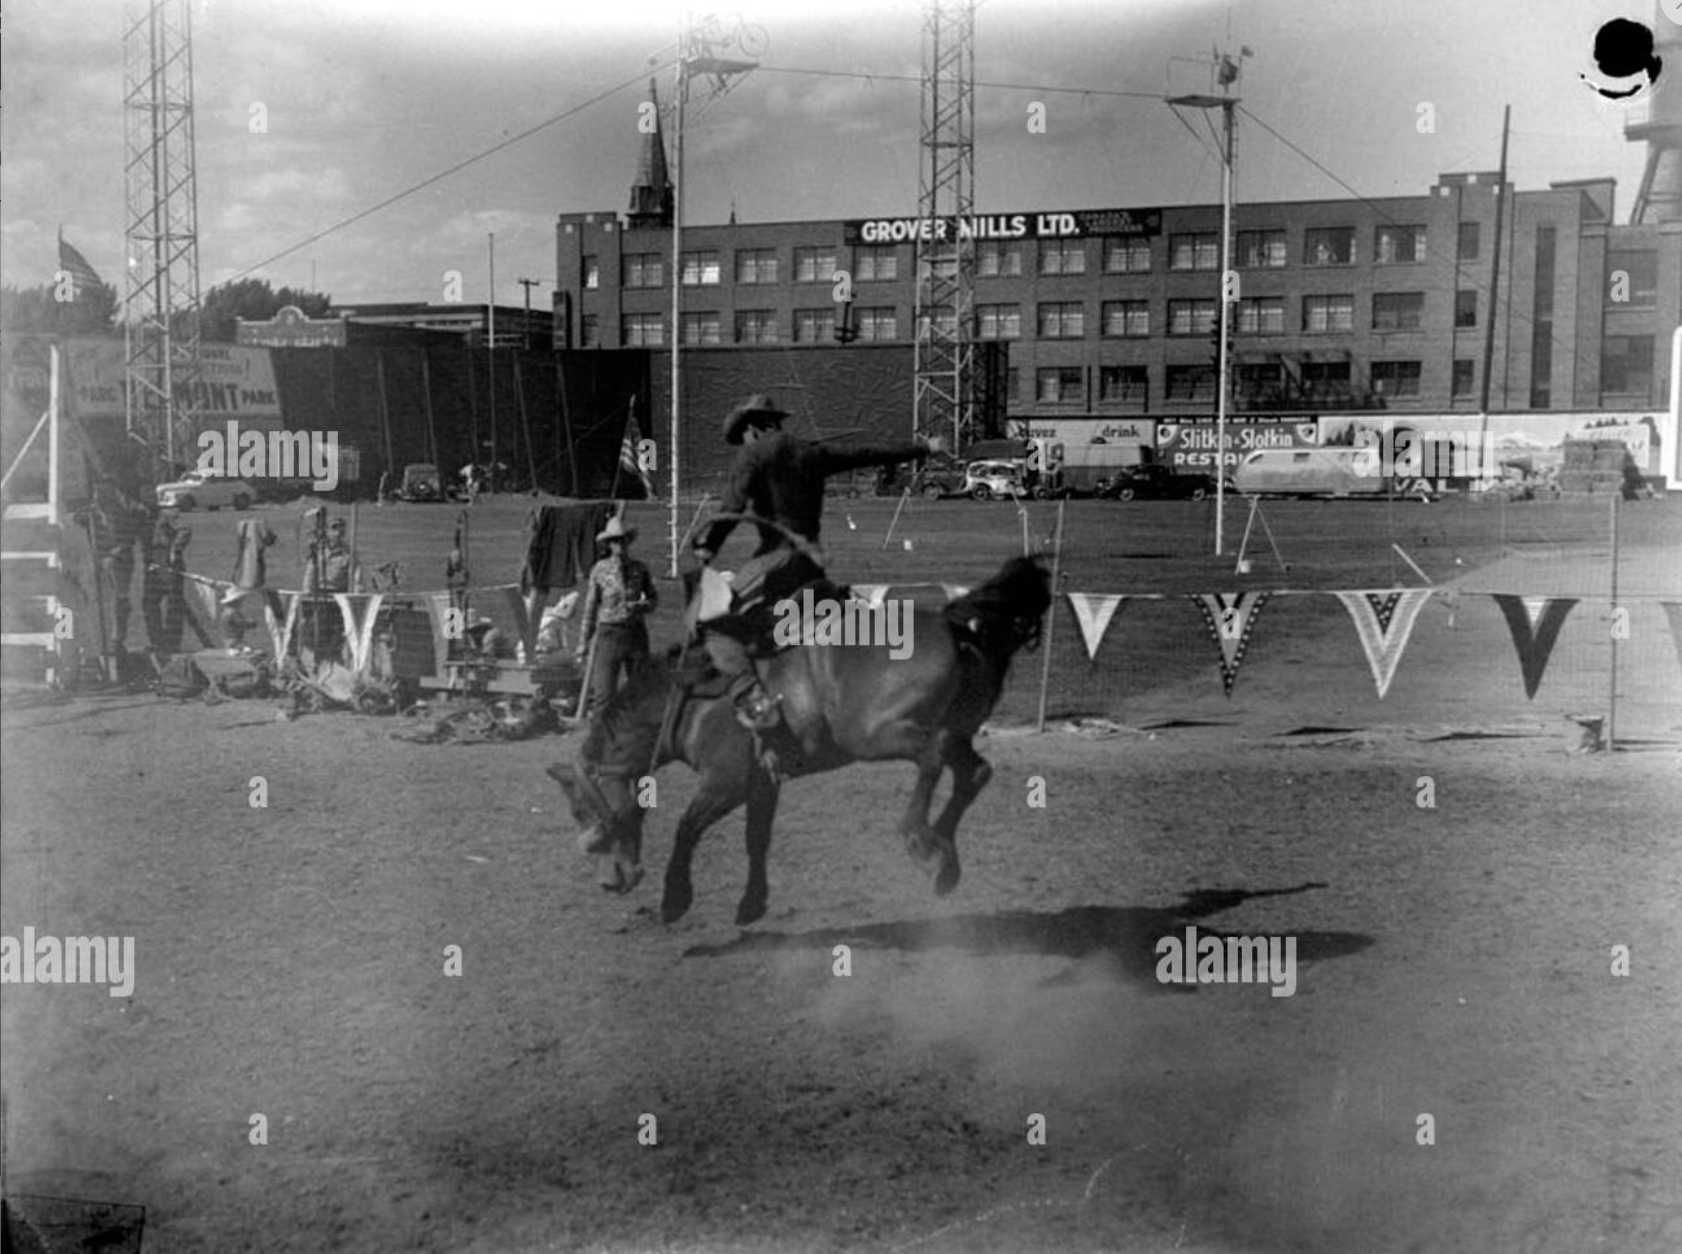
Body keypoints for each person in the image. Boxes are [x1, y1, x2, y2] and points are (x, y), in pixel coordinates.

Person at [690, 393, 936, 733]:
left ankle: (753, 700)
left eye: (743, 436)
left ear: (753, 429)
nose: (743, 443)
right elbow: (868, 454)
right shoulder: (811, 452)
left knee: (715, 619)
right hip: (811, 564)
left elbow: (732, 506)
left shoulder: (754, 452)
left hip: (776, 560)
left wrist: (708, 546)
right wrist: (923, 449)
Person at [575, 515, 657, 713]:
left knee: (641, 691)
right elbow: (591, 607)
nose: (620, 544)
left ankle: (639, 737)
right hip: (609, 634)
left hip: (635, 633)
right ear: (609, 544)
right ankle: (602, 737)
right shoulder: (600, 570)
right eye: (615, 541)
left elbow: (654, 599)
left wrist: (642, 605)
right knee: (604, 693)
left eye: (623, 540)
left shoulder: (640, 568)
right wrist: (583, 642)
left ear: (628, 541)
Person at [142, 507, 211, 658]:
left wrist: (175, 549)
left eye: (149, 491)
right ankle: (158, 642)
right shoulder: (140, 513)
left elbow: (185, 529)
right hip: (151, 563)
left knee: (174, 605)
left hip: (168, 561)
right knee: (149, 604)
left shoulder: (166, 514)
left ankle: (173, 644)